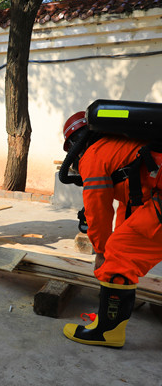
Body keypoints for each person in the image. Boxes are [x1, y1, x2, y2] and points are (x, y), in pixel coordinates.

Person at [61, 110, 162, 348]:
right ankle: (111, 314)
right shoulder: (121, 148)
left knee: (118, 255)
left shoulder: (93, 155)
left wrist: (102, 252)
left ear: (75, 144)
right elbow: (129, 208)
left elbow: (98, 209)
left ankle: (107, 332)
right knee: (121, 247)